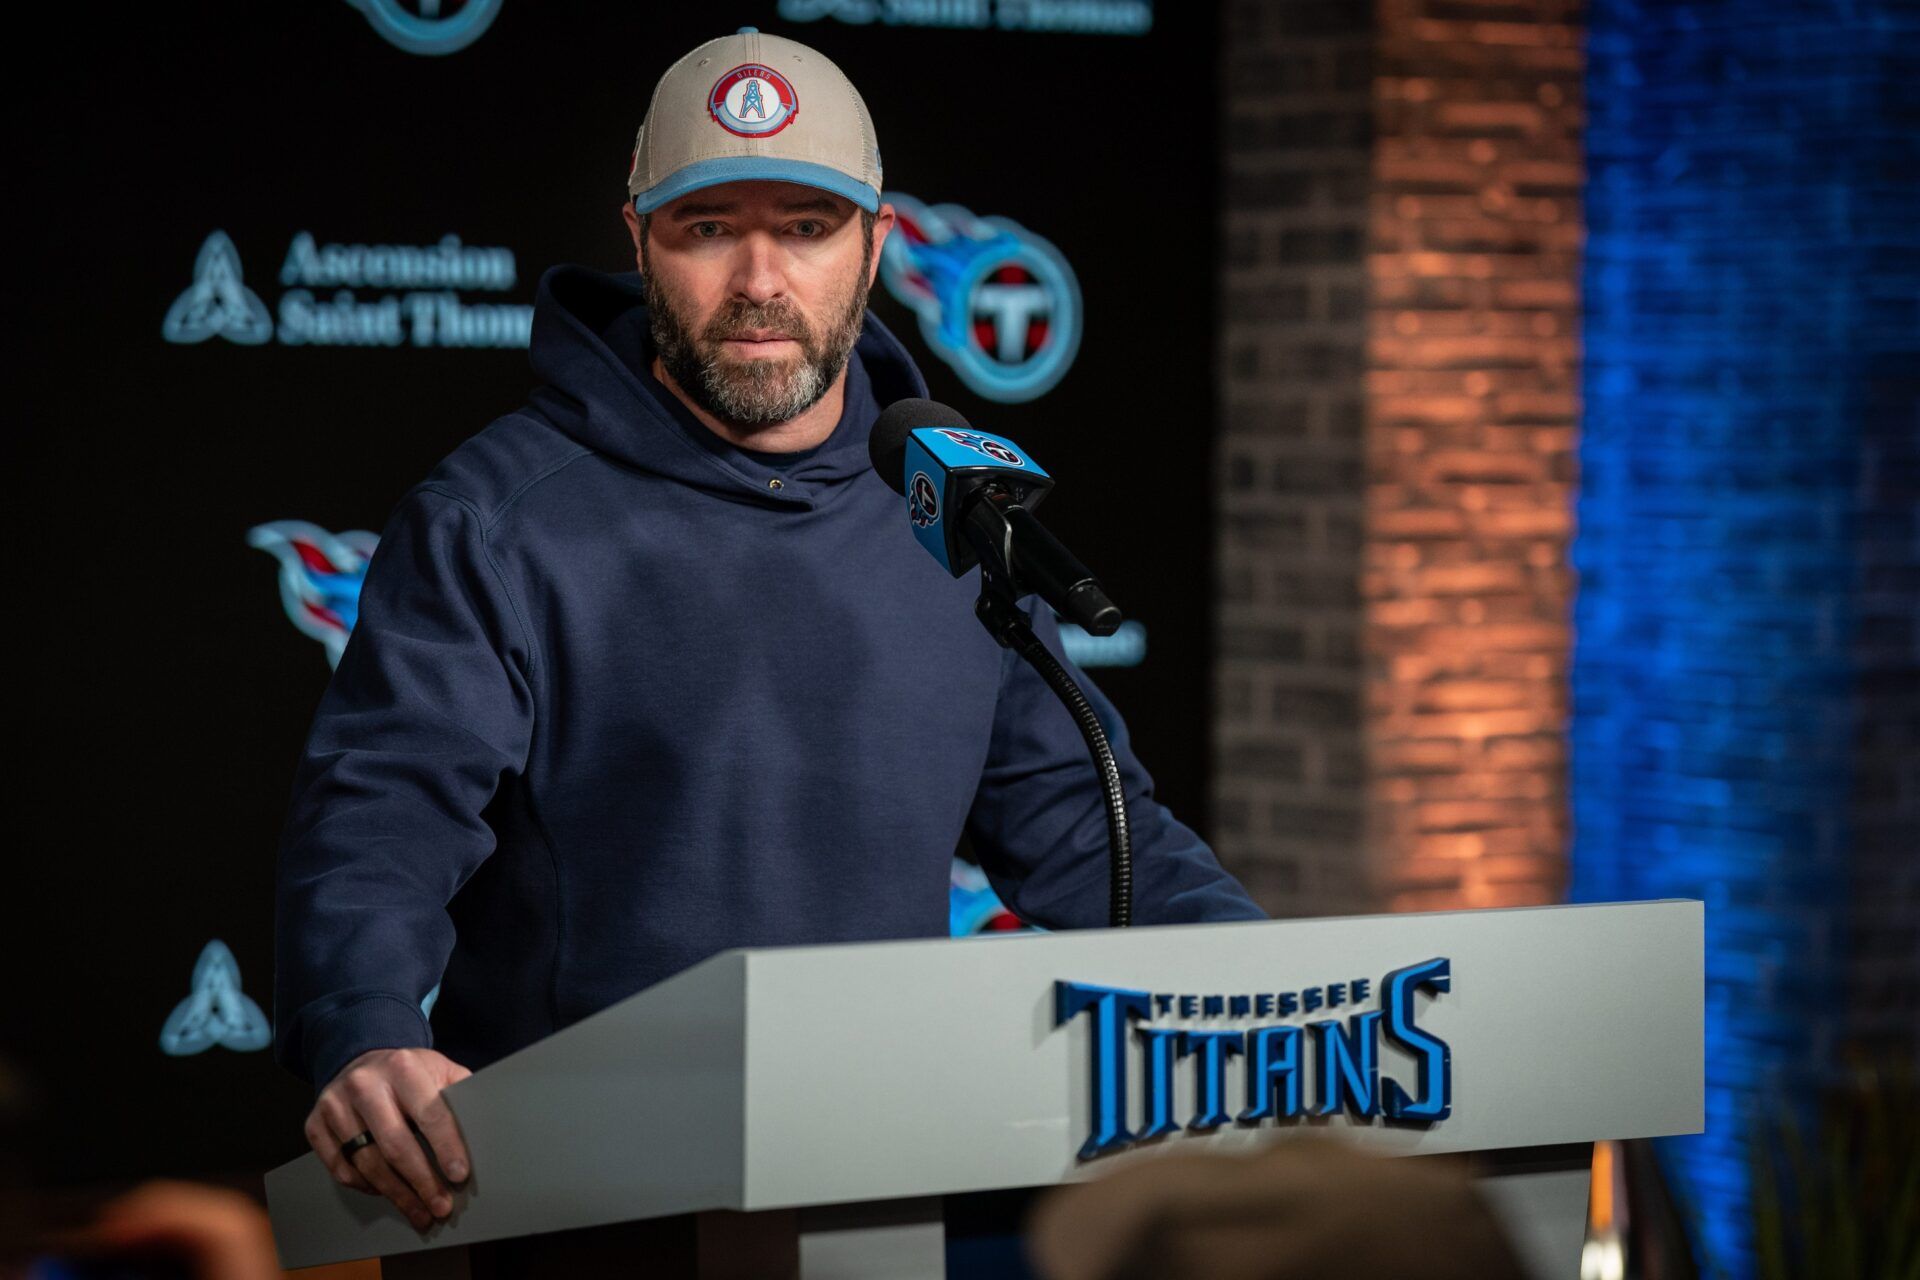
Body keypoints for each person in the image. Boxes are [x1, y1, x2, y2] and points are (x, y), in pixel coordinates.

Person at [274, 27, 1264, 1233]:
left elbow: (1081, 818)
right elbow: (383, 808)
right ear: (638, 238)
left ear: (876, 246)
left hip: (883, 1169)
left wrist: (1278, 999)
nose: (759, 280)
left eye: (805, 226)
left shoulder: (946, 502)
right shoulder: (495, 520)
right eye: (708, 228)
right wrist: (364, 1024)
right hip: (585, 1197)